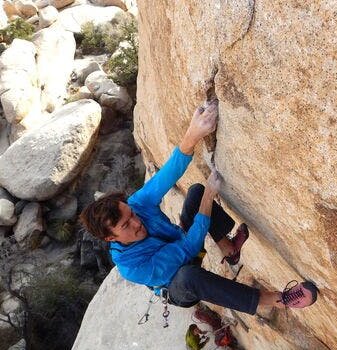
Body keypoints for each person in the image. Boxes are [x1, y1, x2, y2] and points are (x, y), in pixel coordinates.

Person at [80, 101, 318, 317]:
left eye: (131, 215)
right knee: (189, 276)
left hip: (180, 242)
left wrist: (192, 135)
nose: (136, 222)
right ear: (111, 237)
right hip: (180, 285)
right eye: (126, 226)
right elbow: (188, 249)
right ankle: (277, 299)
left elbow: (167, 175)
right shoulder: (131, 267)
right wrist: (209, 197)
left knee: (194, 192)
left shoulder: (137, 206)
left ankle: (229, 249)